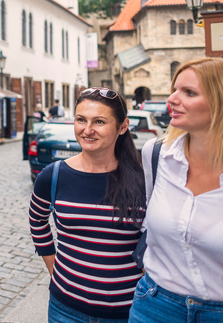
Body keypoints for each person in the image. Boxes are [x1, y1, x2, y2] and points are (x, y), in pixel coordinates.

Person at [128, 58, 223, 323]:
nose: (172, 99)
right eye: (175, 89)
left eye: (189, 93)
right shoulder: (156, 154)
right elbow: (147, 223)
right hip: (154, 305)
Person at [29, 87, 145, 322]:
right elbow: (37, 220)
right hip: (66, 308)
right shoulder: (54, 175)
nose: (87, 130)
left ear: (122, 126)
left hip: (128, 312)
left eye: (99, 121)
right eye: (81, 119)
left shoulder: (144, 180)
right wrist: (55, 270)